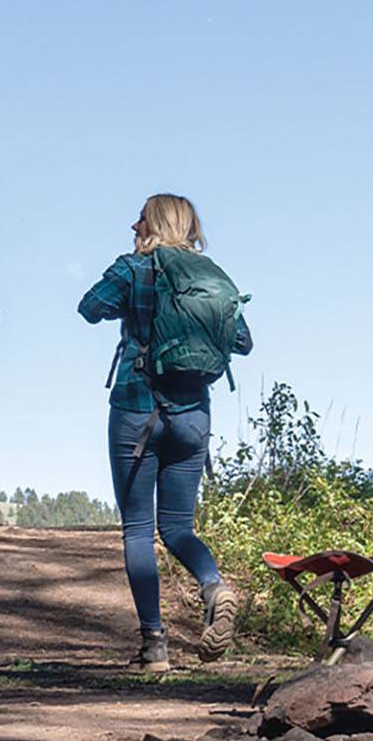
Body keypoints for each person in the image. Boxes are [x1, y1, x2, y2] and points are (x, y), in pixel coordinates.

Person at [78, 193, 250, 672]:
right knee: (177, 527)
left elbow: (89, 307)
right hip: (193, 414)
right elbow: (243, 341)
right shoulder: (210, 276)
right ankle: (214, 584)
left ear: (149, 223)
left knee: (138, 529)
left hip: (136, 408)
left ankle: (154, 646)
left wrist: (132, 284)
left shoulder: (135, 268)